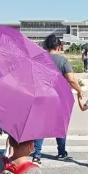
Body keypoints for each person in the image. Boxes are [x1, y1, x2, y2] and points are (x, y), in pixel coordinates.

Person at [32, 34, 84, 164]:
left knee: (40, 126)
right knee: (60, 125)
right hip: (58, 97)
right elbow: (71, 79)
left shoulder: (38, 59)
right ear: (59, 46)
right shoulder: (62, 61)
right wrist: (79, 90)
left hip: (41, 95)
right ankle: (61, 152)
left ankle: (37, 155)